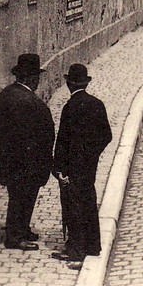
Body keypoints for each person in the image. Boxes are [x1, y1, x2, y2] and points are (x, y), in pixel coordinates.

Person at [0, 53, 54, 251]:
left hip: (10, 159)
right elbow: (33, 135)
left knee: (20, 196)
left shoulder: (7, 93)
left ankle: (22, 229)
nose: (38, 82)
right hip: (24, 162)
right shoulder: (29, 102)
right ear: (31, 78)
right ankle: (15, 237)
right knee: (22, 197)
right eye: (37, 78)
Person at [52, 63, 112, 268]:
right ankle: (93, 246)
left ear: (69, 84)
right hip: (88, 167)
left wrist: (59, 168)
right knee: (88, 202)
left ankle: (75, 250)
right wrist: (92, 155)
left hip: (71, 168)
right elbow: (107, 135)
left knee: (73, 207)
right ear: (85, 83)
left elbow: (63, 141)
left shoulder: (70, 108)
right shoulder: (97, 104)